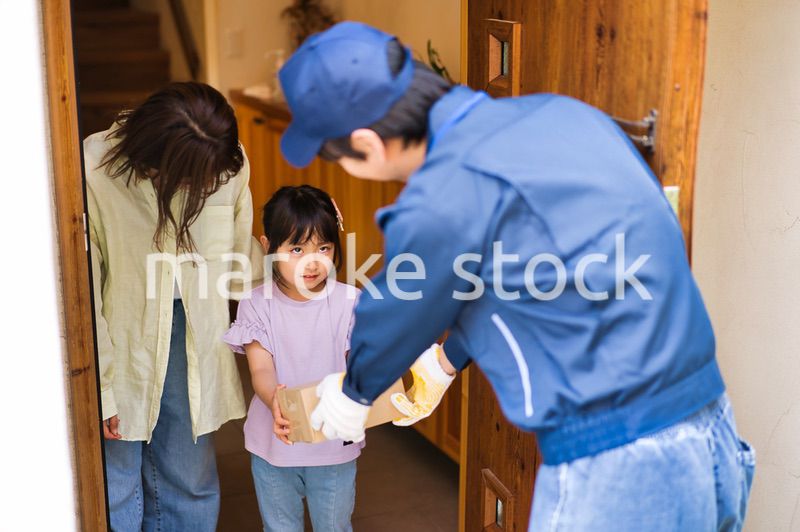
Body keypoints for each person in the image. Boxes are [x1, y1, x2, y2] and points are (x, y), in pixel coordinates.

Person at [276, 21, 756, 531]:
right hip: (710, 426)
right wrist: (444, 362)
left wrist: (353, 394)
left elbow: (395, 309)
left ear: (368, 145)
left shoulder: (444, 190)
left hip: (621, 464)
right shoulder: (563, 114)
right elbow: (519, 275)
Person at [85, 81, 255, 531]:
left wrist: (302, 242)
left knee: (190, 475)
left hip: (196, 333)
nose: (200, 189)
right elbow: (83, 289)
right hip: (117, 338)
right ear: (151, 161)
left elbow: (242, 268)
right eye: (186, 181)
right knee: (116, 480)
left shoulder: (227, 163)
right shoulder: (94, 168)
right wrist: (101, 390)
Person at [223, 185, 361, 532]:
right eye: (297, 248)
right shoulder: (256, 303)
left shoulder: (350, 302)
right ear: (268, 247)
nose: (312, 262)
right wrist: (276, 401)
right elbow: (261, 368)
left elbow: (359, 365)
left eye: (324, 248)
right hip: (274, 445)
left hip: (333, 446)